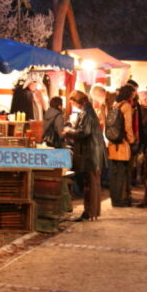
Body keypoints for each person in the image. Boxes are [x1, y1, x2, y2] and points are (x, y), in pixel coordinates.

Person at [62, 90, 106, 221]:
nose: (73, 105)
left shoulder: (86, 112)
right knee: (94, 183)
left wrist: (68, 130)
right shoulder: (89, 111)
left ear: (77, 101)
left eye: (73, 102)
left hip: (90, 153)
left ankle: (89, 212)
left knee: (91, 184)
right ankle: (92, 212)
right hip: (94, 152)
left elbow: (84, 132)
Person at [106, 85, 137, 207]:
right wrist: (132, 141)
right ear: (129, 94)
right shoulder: (126, 106)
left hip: (113, 143)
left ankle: (114, 198)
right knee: (121, 172)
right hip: (122, 144)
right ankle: (119, 200)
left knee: (114, 172)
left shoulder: (115, 105)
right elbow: (128, 127)